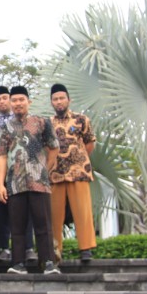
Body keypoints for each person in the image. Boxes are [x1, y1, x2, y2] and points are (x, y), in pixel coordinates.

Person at [0, 86, 60, 275]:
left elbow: (54, 147)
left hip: (39, 182)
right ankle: (18, 264)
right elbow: (2, 156)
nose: (17, 103)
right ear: (10, 103)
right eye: (14, 100)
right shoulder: (5, 127)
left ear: (28, 102)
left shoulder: (42, 122)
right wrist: (1, 184)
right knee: (17, 226)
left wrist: (45, 170)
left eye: (21, 100)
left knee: (43, 224)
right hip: (15, 184)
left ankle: (48, 262)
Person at [48, 83, 97, 264]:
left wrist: (78, 159)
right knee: (54, 215)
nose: (59, 102)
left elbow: (89, 144)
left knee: (82, 211)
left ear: (69, 99)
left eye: (62, 98)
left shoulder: (81, 119)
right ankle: (55, 250)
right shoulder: (48, 123)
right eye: (55, 99)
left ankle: (85, 248)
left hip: (79, 172)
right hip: (55, 174)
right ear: (52, 102)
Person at [0, 86, 15, 262]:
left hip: (20, 173)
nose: (2, 101)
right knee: (1, 213)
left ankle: (27, 248)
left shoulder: (21, 120)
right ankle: (4, 248)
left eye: (5, 98)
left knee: (22, 213)